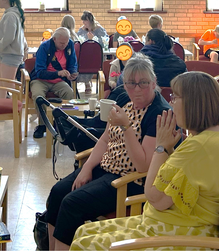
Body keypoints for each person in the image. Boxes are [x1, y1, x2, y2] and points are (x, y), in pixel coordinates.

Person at [71, 71, 219, 250]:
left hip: (178, 234)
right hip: (172, 225)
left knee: (83, 244)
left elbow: (154, 198)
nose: (172, 103)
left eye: (175, 98)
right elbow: (180, 179)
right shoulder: (218, 135)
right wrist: (167, 149)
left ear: (193, 103)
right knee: (83, 231)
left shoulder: (198, 147)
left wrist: (161, 148)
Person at [44, 56, 172, 250]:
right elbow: (105, 138)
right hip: (106, 166)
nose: (136, 89)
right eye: (131, 83)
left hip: (129, 180)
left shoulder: (158, 113)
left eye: (143, 83)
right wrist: (87, 167)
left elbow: (143, 165)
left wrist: (126, 127)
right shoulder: (122, 97)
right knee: (58, 192)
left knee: (72, 204)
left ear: (154, 82)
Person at [30, 27, 79, 138]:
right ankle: (42, 125)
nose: (64, 45)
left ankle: (62, 124)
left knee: (69, 93)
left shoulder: (69, 44)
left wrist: (73, 73)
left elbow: (73, 63)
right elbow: (39, 72)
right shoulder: (44, 47)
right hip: (41, 80)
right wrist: (58, 73)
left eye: (66, 43)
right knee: (38, 96)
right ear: (54, 39)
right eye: (61, 43)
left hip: (58, 81)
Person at [0, 0, 27, 99]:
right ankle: (0, 107)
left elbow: (9, 37)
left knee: (8, 85)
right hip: (4, 53)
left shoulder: (11, 15)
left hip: (11, 54)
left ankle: (15, 110)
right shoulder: (9, 14)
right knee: (0, 84)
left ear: (5, 0)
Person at [118, 28, 186, 89]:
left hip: (142, 100)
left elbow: (121, 83)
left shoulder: (138, 61)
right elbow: (186, 84)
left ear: (150, 41)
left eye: (146, 41)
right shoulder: (179, 63)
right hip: (173, 100)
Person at [77, 11, 108, 93]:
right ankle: (86, 83)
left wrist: (93, 38)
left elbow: (104, 42)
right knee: (82, 60)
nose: (83, 23)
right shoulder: (82, 30)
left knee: (90, 60)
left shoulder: (99, 29)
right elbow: (78, 40)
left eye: (85, 20)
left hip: (96, 56)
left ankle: (89, 83)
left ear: (90, 21)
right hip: (85, 54)